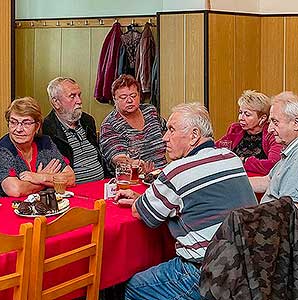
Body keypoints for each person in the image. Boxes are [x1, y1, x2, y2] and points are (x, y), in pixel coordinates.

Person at [115, 103, 257, 300]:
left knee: (134, 286)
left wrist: (142, 201)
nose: (164, 137)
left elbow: (141, 213)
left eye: (171, 130)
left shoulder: (177, 170)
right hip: (247, 268)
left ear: (194, 135)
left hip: (206, 274)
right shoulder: (231, 158)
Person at [0, 97, 75, 199]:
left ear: (37, 126)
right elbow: (15, 190)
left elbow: (70, 178)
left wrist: (40, 177)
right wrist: (49, 181)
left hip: (39, 206)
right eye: (13, 122)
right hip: (2, 208)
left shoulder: (45, 143)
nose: (18, 129)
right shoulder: (1, 150)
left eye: (26, 123)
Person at [43, 77, 106, 184]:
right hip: (71, 191)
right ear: (56, 102)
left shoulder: (88, 121)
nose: (79, 101)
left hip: (102, 185)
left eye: (79, 95)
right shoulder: (47, 129)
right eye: (72, 96)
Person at [100, 74, 166, 174]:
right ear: (115, 99)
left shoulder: (150, 111)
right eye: (123, 97)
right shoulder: (110, 125)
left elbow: (168, 132)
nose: (130, 100)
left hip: (163, 172)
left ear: (139, 95)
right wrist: (133, 164)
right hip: (133, 178)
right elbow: (117, 158)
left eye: (133, 96)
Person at [216, 90, 281, 175]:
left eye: (247, 114)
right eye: (240, 113)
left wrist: (243, 161)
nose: (240, 118)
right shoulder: (236, 129)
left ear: (262, 118)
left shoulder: (272, 134)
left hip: (258, 184)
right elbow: (216, 149)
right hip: (232, 177)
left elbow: (273, 165)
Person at [250, 91, 298, 203]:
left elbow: (289, 209)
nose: (270, 129)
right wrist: (233, 181)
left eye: (275, 122)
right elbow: (267, 181)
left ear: (296, 124)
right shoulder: (289, 150)